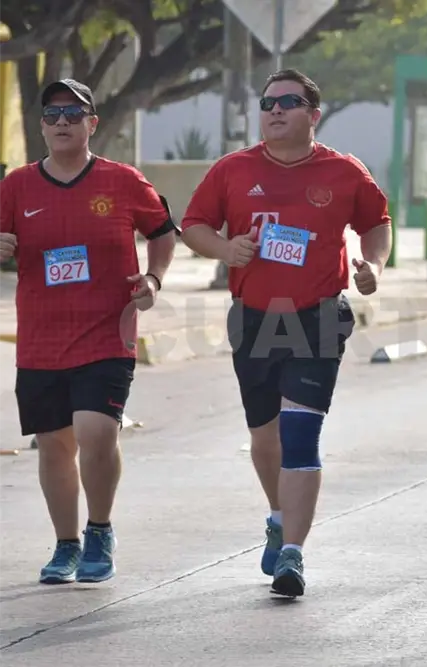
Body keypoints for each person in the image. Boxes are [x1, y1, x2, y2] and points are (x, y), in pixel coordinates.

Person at [180, 69, 392, 598]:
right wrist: (226, 250)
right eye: (268, 102)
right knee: (264, 435)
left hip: (317, 315)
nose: (275, 110)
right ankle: (278, 514)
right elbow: (195, 226)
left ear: (313, 115)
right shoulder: (234, 169)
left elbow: (376, 222)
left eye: (289, 102)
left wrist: (375, 265)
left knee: (301, 435)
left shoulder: (344, 172)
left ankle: (292, 555)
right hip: (254, 315)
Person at [0, 79, 177, 584]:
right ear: (41, 126)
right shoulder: (16, 186)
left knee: (95, 432)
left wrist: (153, 278)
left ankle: (100, 529)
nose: (61, 123)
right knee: (54, 445)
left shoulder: (123, 181)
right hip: (41, 338)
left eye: (73, 115)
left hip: (107, 331)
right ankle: (66, 544)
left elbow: (163, 233)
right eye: (52, 115)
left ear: (91, 124)